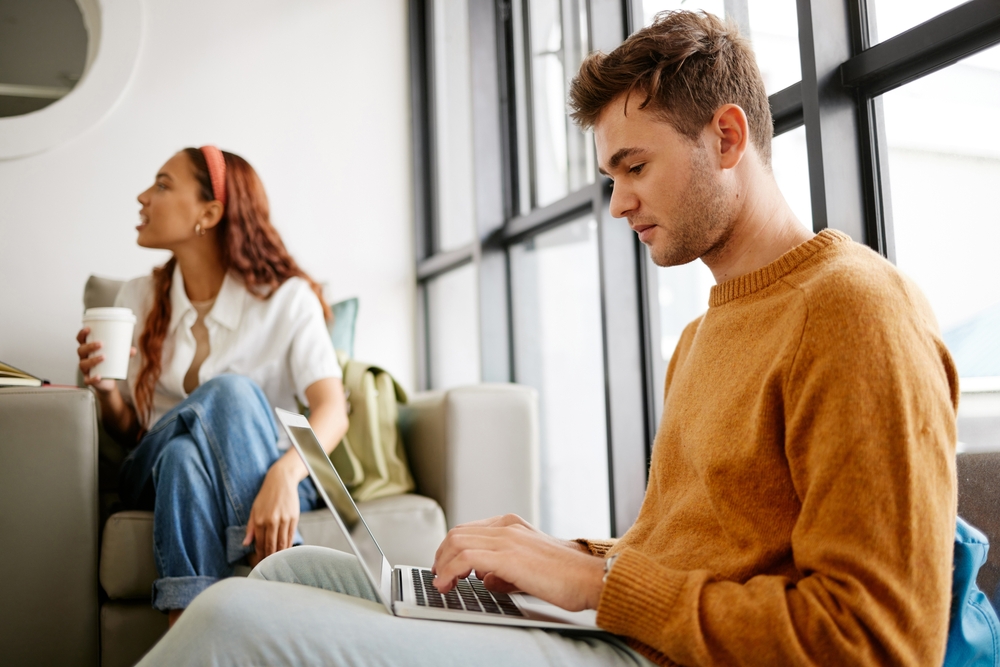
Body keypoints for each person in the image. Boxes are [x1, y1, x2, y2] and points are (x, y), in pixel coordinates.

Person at [136, 11, 959, 666]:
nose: (617, 205)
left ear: (729, 137)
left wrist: (596, 580)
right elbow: (685, 548)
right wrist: (556, 553)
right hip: (629, 628)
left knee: (236, 619)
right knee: (282, 572)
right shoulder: (704, 335)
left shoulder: (855, 310)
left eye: (635, 167)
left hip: (655, 653)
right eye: (610, 178)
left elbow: (878, 643)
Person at [76, 146, 348, 626]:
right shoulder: (136, 297)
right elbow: (128, 434)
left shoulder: (287, 299)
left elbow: (332, 410)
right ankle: (284, 585)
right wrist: (105, 391)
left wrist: (284, 475)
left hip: (273, 475)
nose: (143, 196)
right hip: (148, 467)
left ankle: (188, 642)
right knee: (224, 397)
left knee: (188, 456)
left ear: (210, 212)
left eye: (162, 185)